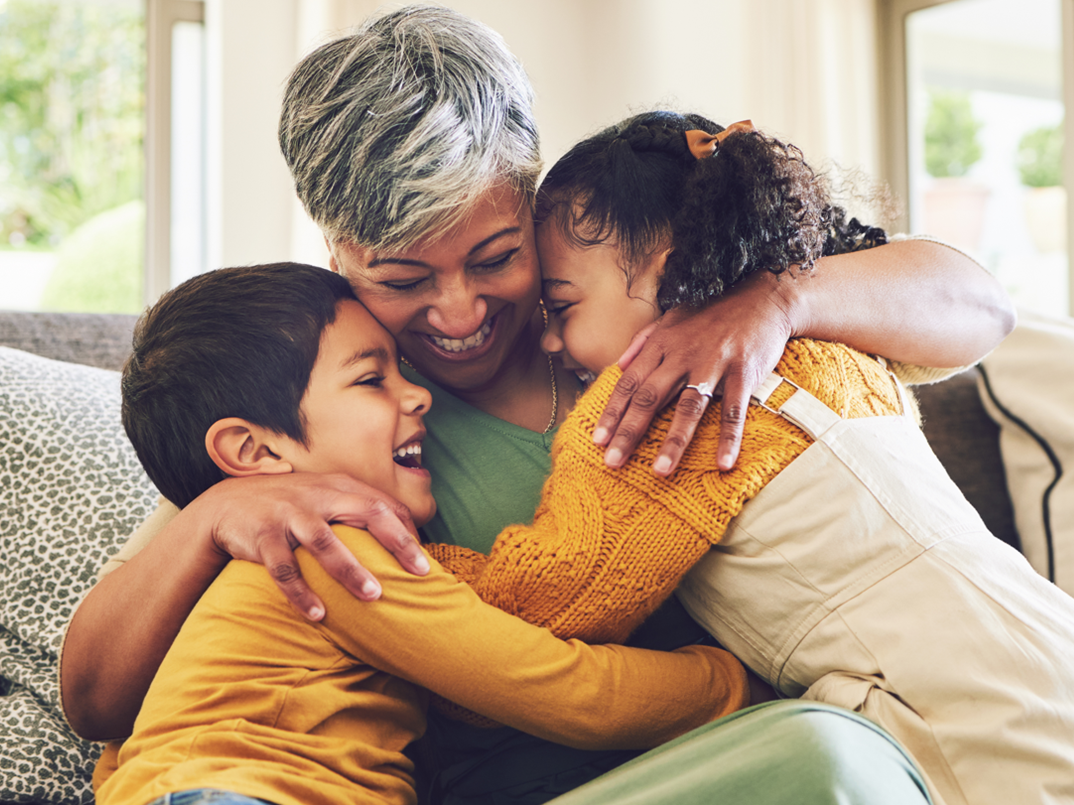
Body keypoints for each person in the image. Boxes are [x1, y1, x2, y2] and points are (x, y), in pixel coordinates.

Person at [61, 5, 1013, 801]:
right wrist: (214, 515)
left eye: (496, 258)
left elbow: (980, 307)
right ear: (337, 256)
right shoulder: (332, 417)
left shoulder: (661, 293)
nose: (459, 314)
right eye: (401, 277)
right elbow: (98, 697)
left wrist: (781, 300)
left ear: (534, 202)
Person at [523, 110, 1074, 805]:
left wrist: (412, 572)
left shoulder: (655, 415)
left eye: (560, 307)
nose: (550, 342)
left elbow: (549, 597)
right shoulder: (837, 352)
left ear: (666, 269)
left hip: (977, 716)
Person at [97, 263, 759, 805]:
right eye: (371, 379)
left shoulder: (254, 557)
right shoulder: (331, 550)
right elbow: (566, 688)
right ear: (254, 453)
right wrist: (737, 684)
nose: (418, 397)